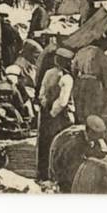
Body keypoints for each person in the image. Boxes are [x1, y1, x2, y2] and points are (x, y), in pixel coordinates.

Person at [37, 47, 75, 181]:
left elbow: (42, 93)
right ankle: (55, 175)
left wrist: (45, 107)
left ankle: (43, 173)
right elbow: (63, 102)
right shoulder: (67, 78)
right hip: (60, 116)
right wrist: (53, 112)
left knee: (45, 143)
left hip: (47, 113)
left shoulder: (48, 72)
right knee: (60, 145)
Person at [48, 114, 107, 192]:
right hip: (59, 165)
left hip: (67, 157)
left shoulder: (88, 134)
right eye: (98, 135)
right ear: (91, 132)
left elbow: (97, 150)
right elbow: (67, 166)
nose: (101, 137)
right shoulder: (75, 143)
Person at [71, 42, 107, 123]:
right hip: (94, 82)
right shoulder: (99, 52)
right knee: (93, 107)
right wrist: (105, 85)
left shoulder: (80, 52)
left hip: (81, 80)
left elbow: (73, 69)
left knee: (80, 106)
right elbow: (104, 70)